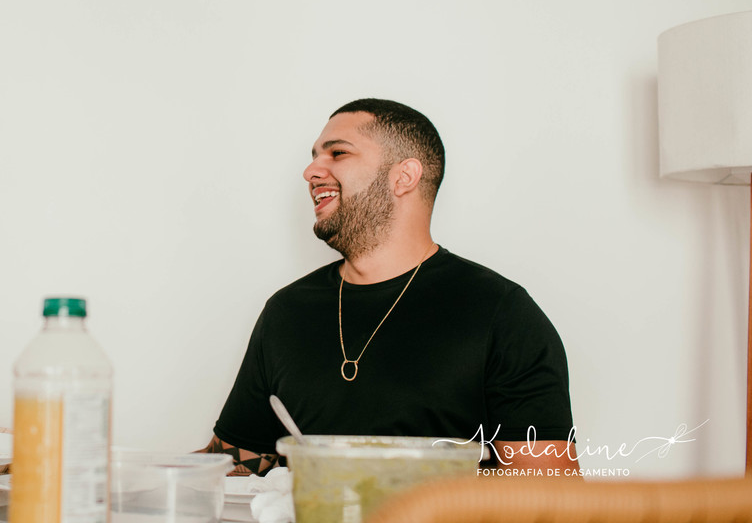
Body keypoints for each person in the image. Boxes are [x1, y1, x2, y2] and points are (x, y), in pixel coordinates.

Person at [203, 99, 577, 475]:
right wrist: (173, 475)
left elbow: (545, 487)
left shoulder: (502, 313)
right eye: (314, 156)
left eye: (337, 153)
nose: (310, 171)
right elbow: (237, 463)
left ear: (404, 177)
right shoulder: (286, 312)